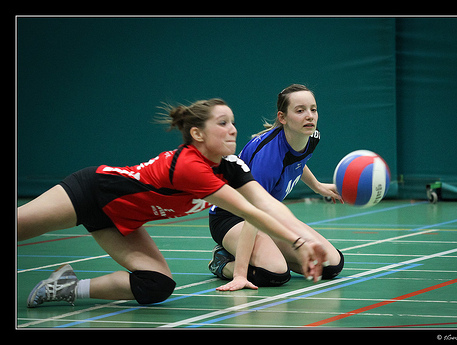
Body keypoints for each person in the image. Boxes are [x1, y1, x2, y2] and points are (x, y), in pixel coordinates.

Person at [18, 98, 329, 308]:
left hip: (118, 221)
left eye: (232, 122)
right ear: (197, 133)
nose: (232, 128)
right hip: (90, 192)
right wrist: (299, 240)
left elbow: (266, 204)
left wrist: (299, 240)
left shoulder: (231, 164)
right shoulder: (190, 166)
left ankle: (66, 287)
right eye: (222, 123)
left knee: (156, 285)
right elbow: (248, 210)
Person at [209, 85, 344, 291]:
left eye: (313, 109)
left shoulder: (311, 137)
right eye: (300, 110)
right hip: (233, 218)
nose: (309, 116)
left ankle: (267, 253)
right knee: (274, 273)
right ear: (283, 117)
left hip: (265, 216)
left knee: (331, 265)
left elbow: (297, 160)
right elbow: (252, 214)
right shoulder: (268, 159)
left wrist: (317, 186)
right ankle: (223, 262)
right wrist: (240, 274)